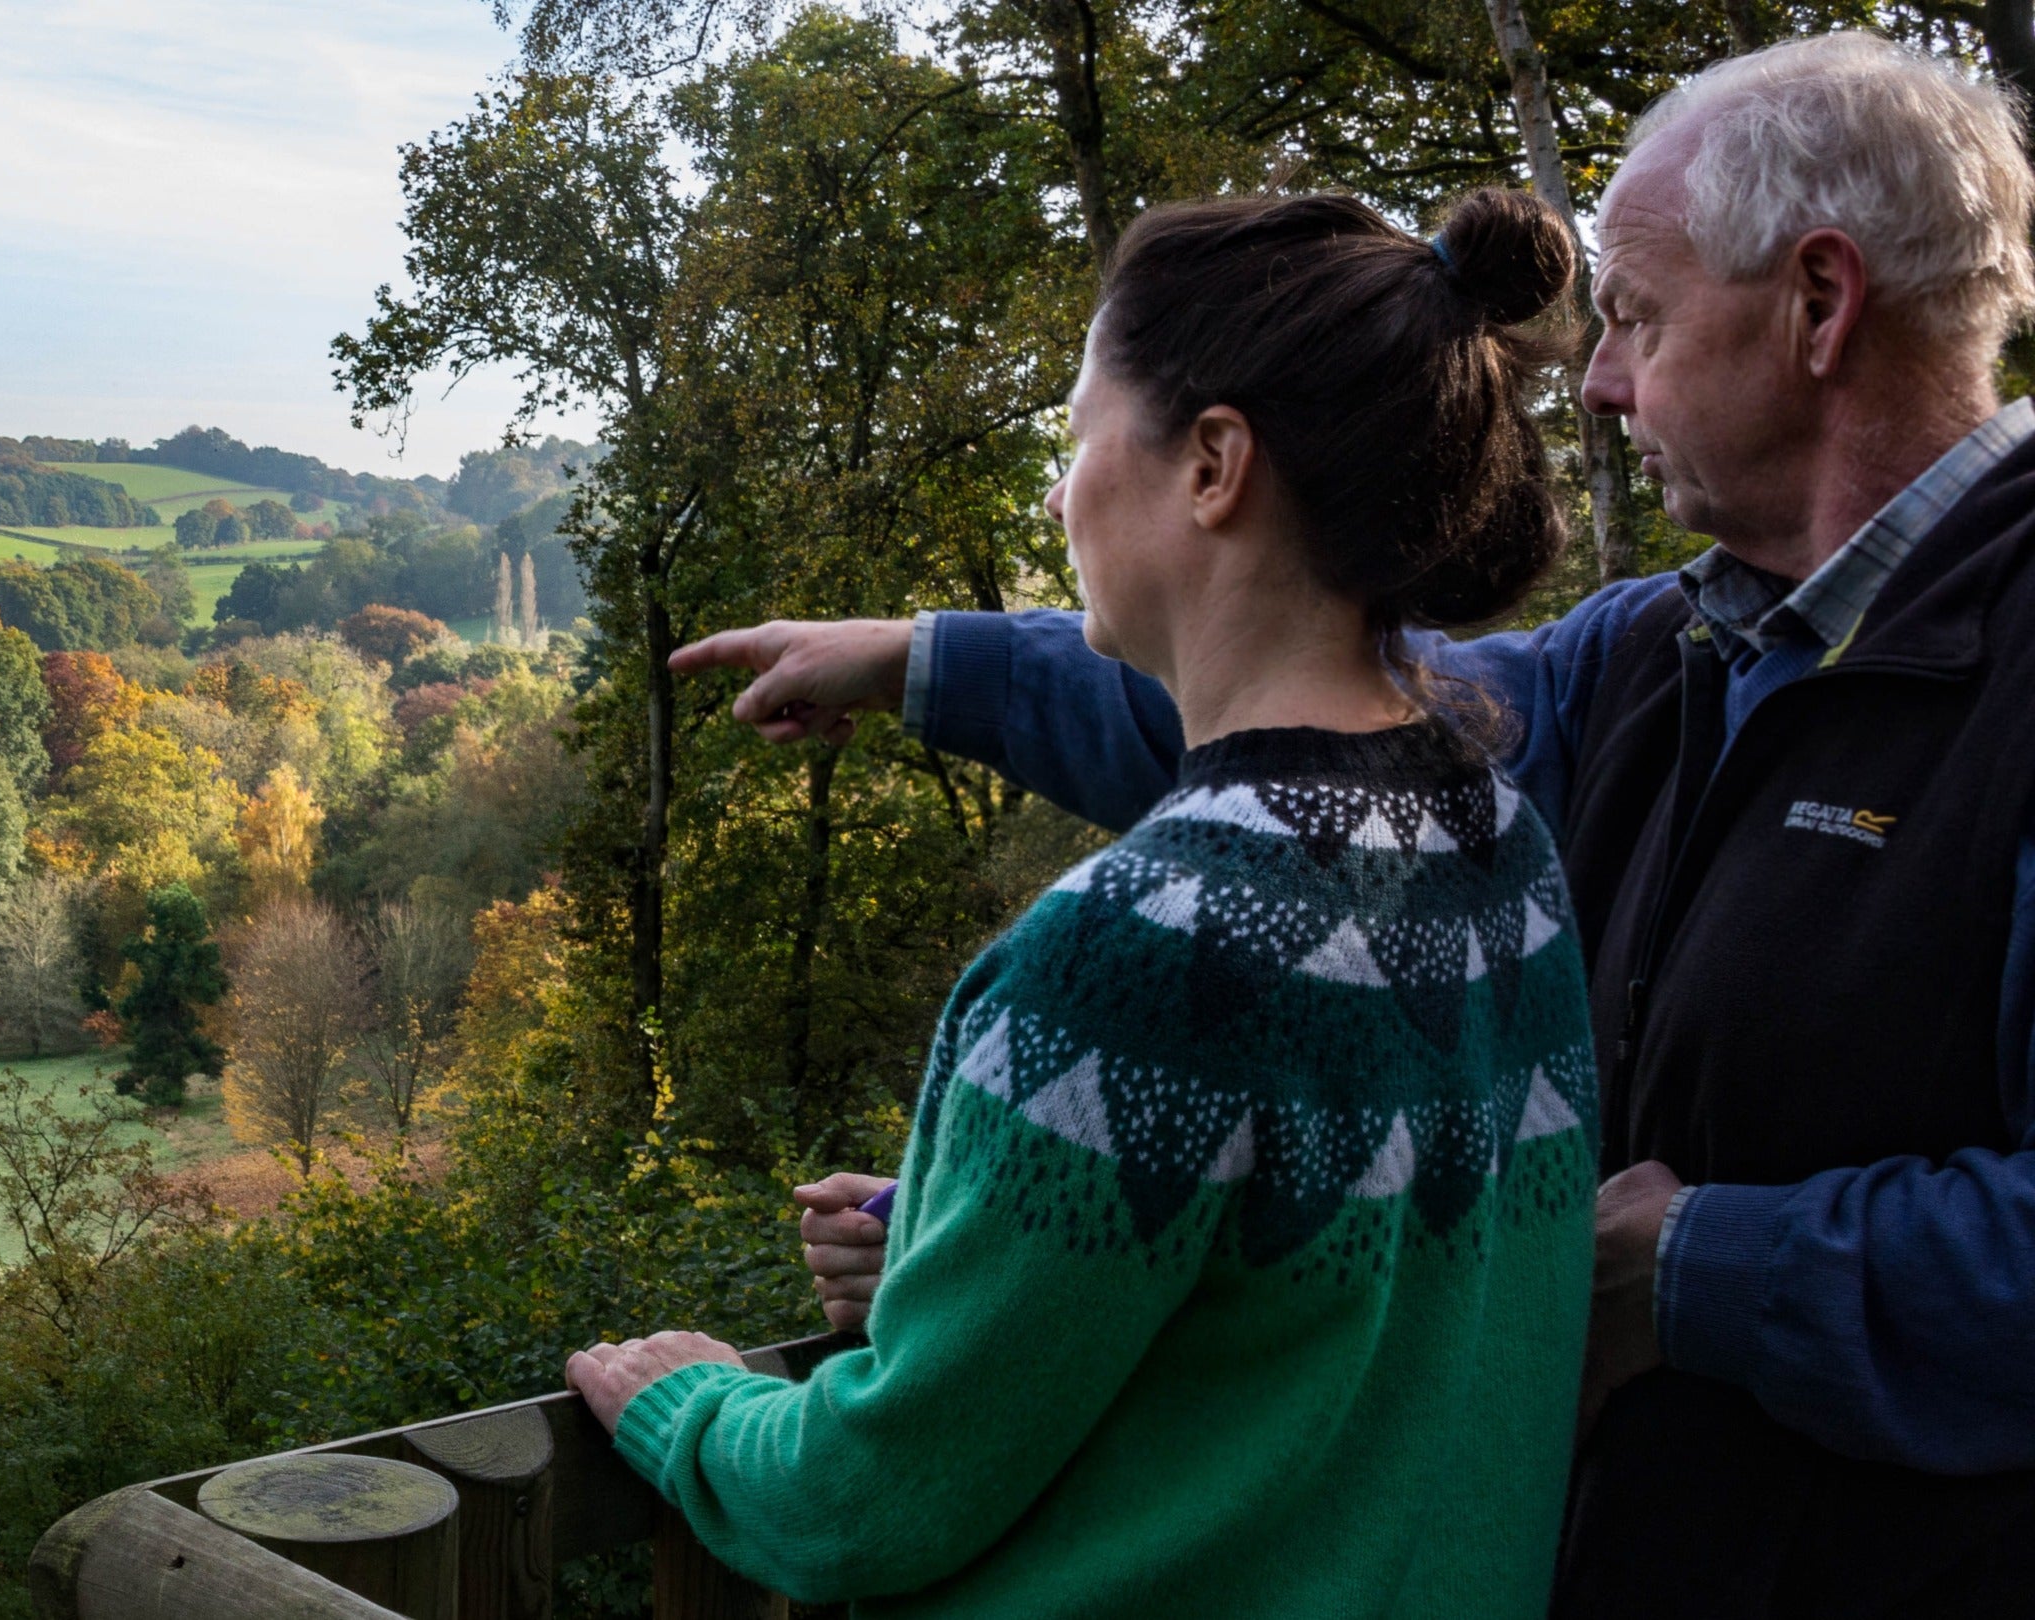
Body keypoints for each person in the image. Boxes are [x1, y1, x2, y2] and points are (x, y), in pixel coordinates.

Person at [678, 32, 2035, 1618]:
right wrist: (939, 662)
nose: (1595, 383)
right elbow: (1334, 725)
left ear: (1818, 303)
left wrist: (1698, 1273)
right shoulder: (1674, 653)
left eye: (1639, 323)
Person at [566, 186, 1599, 1616]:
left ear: (1213, 464)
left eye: (1075, 440)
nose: (1059, 493)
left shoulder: (1135, 955)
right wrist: (950, 1228)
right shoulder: (1499, 847)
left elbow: (869, 1498)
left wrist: (691, 1410)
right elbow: (1318, 1325)